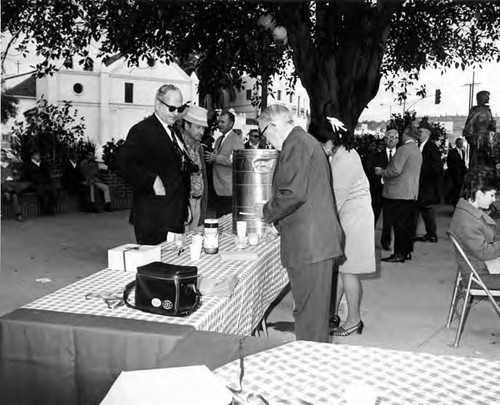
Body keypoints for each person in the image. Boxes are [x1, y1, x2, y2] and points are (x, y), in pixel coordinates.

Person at [255, 105, 344, 343]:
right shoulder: (304, 142)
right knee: (310, 313)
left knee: (310, 318)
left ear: (272, 125)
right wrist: (278, 225)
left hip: (311, 245)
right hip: (314, 242)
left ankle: (310, 369)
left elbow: (293, 193)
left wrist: (265, 212)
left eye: (264, 133)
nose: (266, 140)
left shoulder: (296, 144)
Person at [116, 84, 191, 245]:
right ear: (158, 105)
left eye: (180, 108)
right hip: (153, 217)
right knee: (155, 267)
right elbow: (124, 164)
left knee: (174, 263)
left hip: (174, 214)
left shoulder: (174, 131)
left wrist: (185, 207)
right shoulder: (142, 130)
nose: (176, 113)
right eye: (171, 108)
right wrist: (151, 180)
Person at [322, 120, 375, 337]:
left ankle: (354, 320)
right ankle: (332, 314)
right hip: (352, 217)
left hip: (354, 220)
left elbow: (334, 199)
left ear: (330, 140)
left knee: (349, 272)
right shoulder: (344, 152)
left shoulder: (344, 158)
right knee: (341, 270)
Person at [375, 126, 422, 263]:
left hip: (397, 193)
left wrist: (382, 172)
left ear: (406, 134)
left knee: (398, 226)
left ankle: (399, 254)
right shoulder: (416, 151)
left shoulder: (403, 150)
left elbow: (395, 170)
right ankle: (406, 251)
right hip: (411, 192)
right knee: (407, 226)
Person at [448, 167, 500, 289]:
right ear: (479, 194)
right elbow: (483, 252)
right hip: (479, 275)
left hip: (481, 266)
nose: (494, 199)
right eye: (492, 195)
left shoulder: (467, 210)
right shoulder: (467, 221)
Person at [204, 110, 244, 218]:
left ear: (231, 124)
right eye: (219, 121)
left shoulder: (236, 140)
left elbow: (235, 161)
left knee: (226, 219)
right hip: (217, 187)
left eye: (223, 122)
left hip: (228, 189)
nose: (219, 124)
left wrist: (216, 158)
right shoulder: (218, 140)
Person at [365, 129, 398, 250]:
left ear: (398, 140)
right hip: (378, 191)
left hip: (393, 192)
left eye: (394, 137)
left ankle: (386, 242)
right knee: (373, 216)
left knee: (388, 220)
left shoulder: (400, 155)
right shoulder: (376, 156)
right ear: (385, 140)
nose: (391, 139)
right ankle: (367, 241)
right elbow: (370, 172)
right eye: (389, 137)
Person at [413, 120, 443, 243]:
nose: (418, 134)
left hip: (426, 184)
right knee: (418, 208)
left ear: (427, 133)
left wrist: (421, 168)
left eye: (420, 131)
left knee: (425, 209)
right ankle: (423, 233)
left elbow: (437, 167)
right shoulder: (419, 146)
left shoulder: (432, 147)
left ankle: (431, 234)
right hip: (419, 184)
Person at [181, 105, 208, 230]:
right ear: (187, 126)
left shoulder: (199, 148)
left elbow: (203, 176)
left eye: (203, 128)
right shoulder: (179, 147)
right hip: (184, 203)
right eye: (198, 127)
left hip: (198, 201)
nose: (201, 132)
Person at [463, 90, 497, 168]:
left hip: (487, 138)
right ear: (481, 97)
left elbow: (492, 125)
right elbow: (469, 124)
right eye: (487, 96)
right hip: (477, 138)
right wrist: (471, 138)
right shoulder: (475, 110)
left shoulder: (488, 110)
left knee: (487, 160)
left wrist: (492, 125)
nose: (488, 98)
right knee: (477, 161)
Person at [21, 150, 58, 215]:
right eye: (37, 155)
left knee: (53, 191)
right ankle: (43, 209)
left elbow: (47, 175)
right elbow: (24, 177)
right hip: (34, 184)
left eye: (38, 155)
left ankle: (50, 208)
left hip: (44, 183)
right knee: (41, 191)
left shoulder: (43, 164)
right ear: (33, 156)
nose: (39, 156)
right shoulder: (28, 165)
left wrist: (48, 182)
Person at [1, 149, 31, 221]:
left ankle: (18, 214)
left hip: (12, 183)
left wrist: (12, 156)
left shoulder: (10, 163)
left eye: (4, 154)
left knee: (14, 195)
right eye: (1, 154)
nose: (3, 156)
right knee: (11, 190)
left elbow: (19, 162)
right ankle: (18, 214)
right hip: (2, 183)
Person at [446, 138, 468, 207]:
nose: (461, 145)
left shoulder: (463, 152)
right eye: (460, 143)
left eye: (462, 143)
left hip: (461, 173)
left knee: (459, 188)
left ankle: (457, 201)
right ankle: (453, 201)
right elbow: (449, 162)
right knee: (454, 188)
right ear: (456, 143)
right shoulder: (452, 152)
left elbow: (462, 162)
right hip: (454, 173)